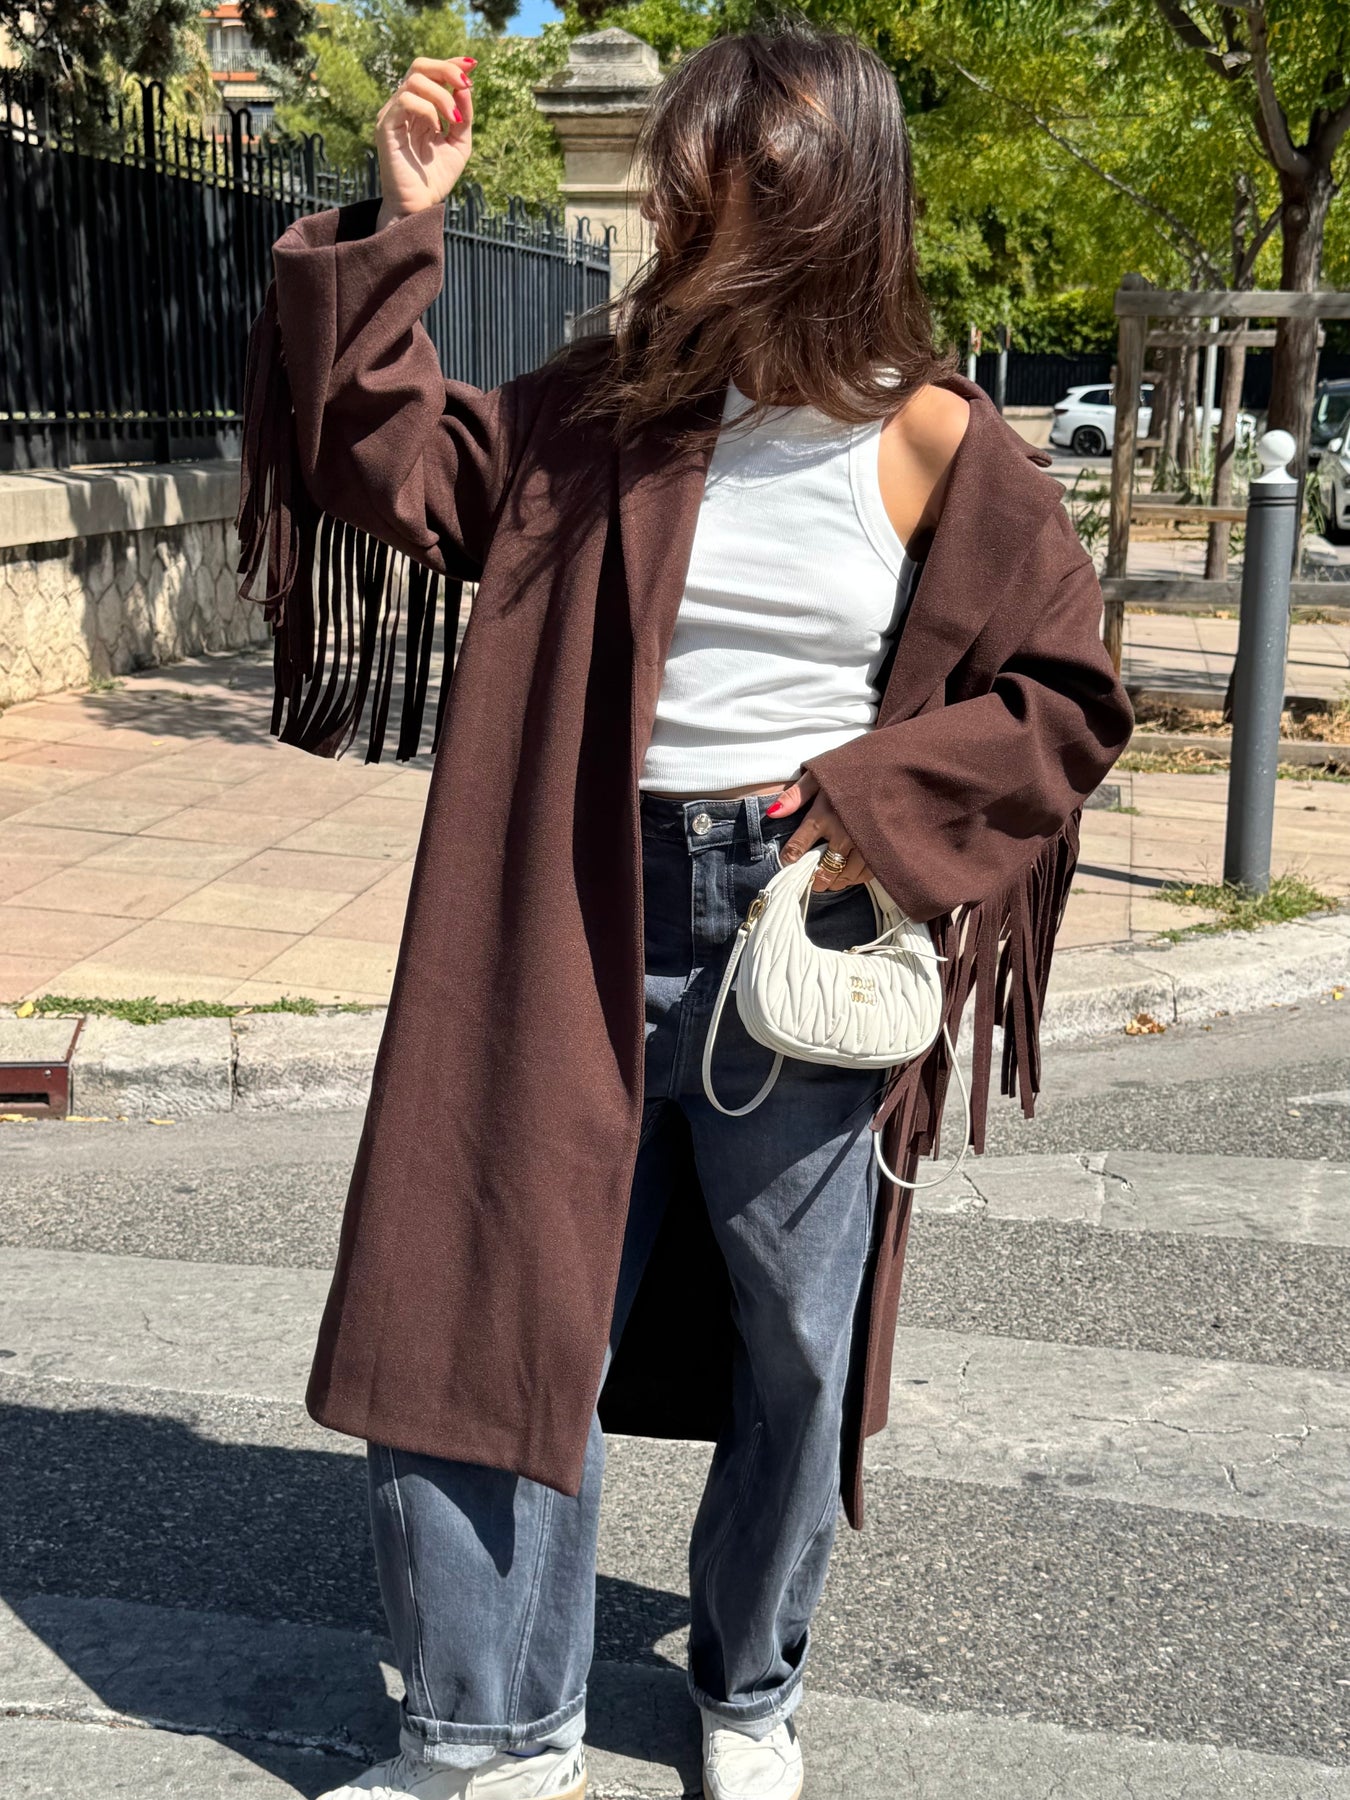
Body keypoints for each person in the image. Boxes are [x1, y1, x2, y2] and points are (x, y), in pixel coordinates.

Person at [236, 19, 1132, 1800]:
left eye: (728, 197)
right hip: (564, 897)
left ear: (831, 212)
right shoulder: (602, 411)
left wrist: (876, 801)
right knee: (493, 1300)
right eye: (682, 194)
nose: (683, 228)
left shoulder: (936, 445)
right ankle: (494, 1736)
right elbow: (387, 457)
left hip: (797, 925)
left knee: (796, 1342)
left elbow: (1063, 701)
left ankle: (747, 1684)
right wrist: (400, 225)